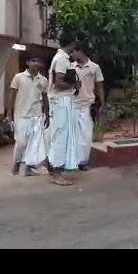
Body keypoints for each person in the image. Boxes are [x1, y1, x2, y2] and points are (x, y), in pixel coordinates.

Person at [7, 56, 49, 176]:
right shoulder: (18, 78)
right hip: (21, 115)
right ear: (28, 63)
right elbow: (11, 96)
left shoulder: (43, 80)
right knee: (21, 142)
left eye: (38, 61)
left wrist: (47, 115)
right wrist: (9, 113)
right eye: (33, 61)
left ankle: (28, 167)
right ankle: (17, 163)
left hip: (36, 115)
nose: (36, 64)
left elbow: (45, 98)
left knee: (34, 143)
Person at [47, 31, 80, 186]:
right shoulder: (61, 59)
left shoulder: (64, 58)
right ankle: (57, 172)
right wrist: (74, 84)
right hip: (61, 101)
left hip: (64, 100)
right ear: (71, 43)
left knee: (64, 135)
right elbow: (58, 83)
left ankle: (57, 168)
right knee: (61, 136)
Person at [71, 42, 105, 172]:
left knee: (86, 135)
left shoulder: (94, 67)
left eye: (74, 51)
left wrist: (102, 104)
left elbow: (99, 86)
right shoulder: (71, 67)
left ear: (81, 51)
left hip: (87, 105)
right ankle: (72, 161)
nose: (72, 54)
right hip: (72, 104)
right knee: (73, 135)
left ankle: (83, 162)